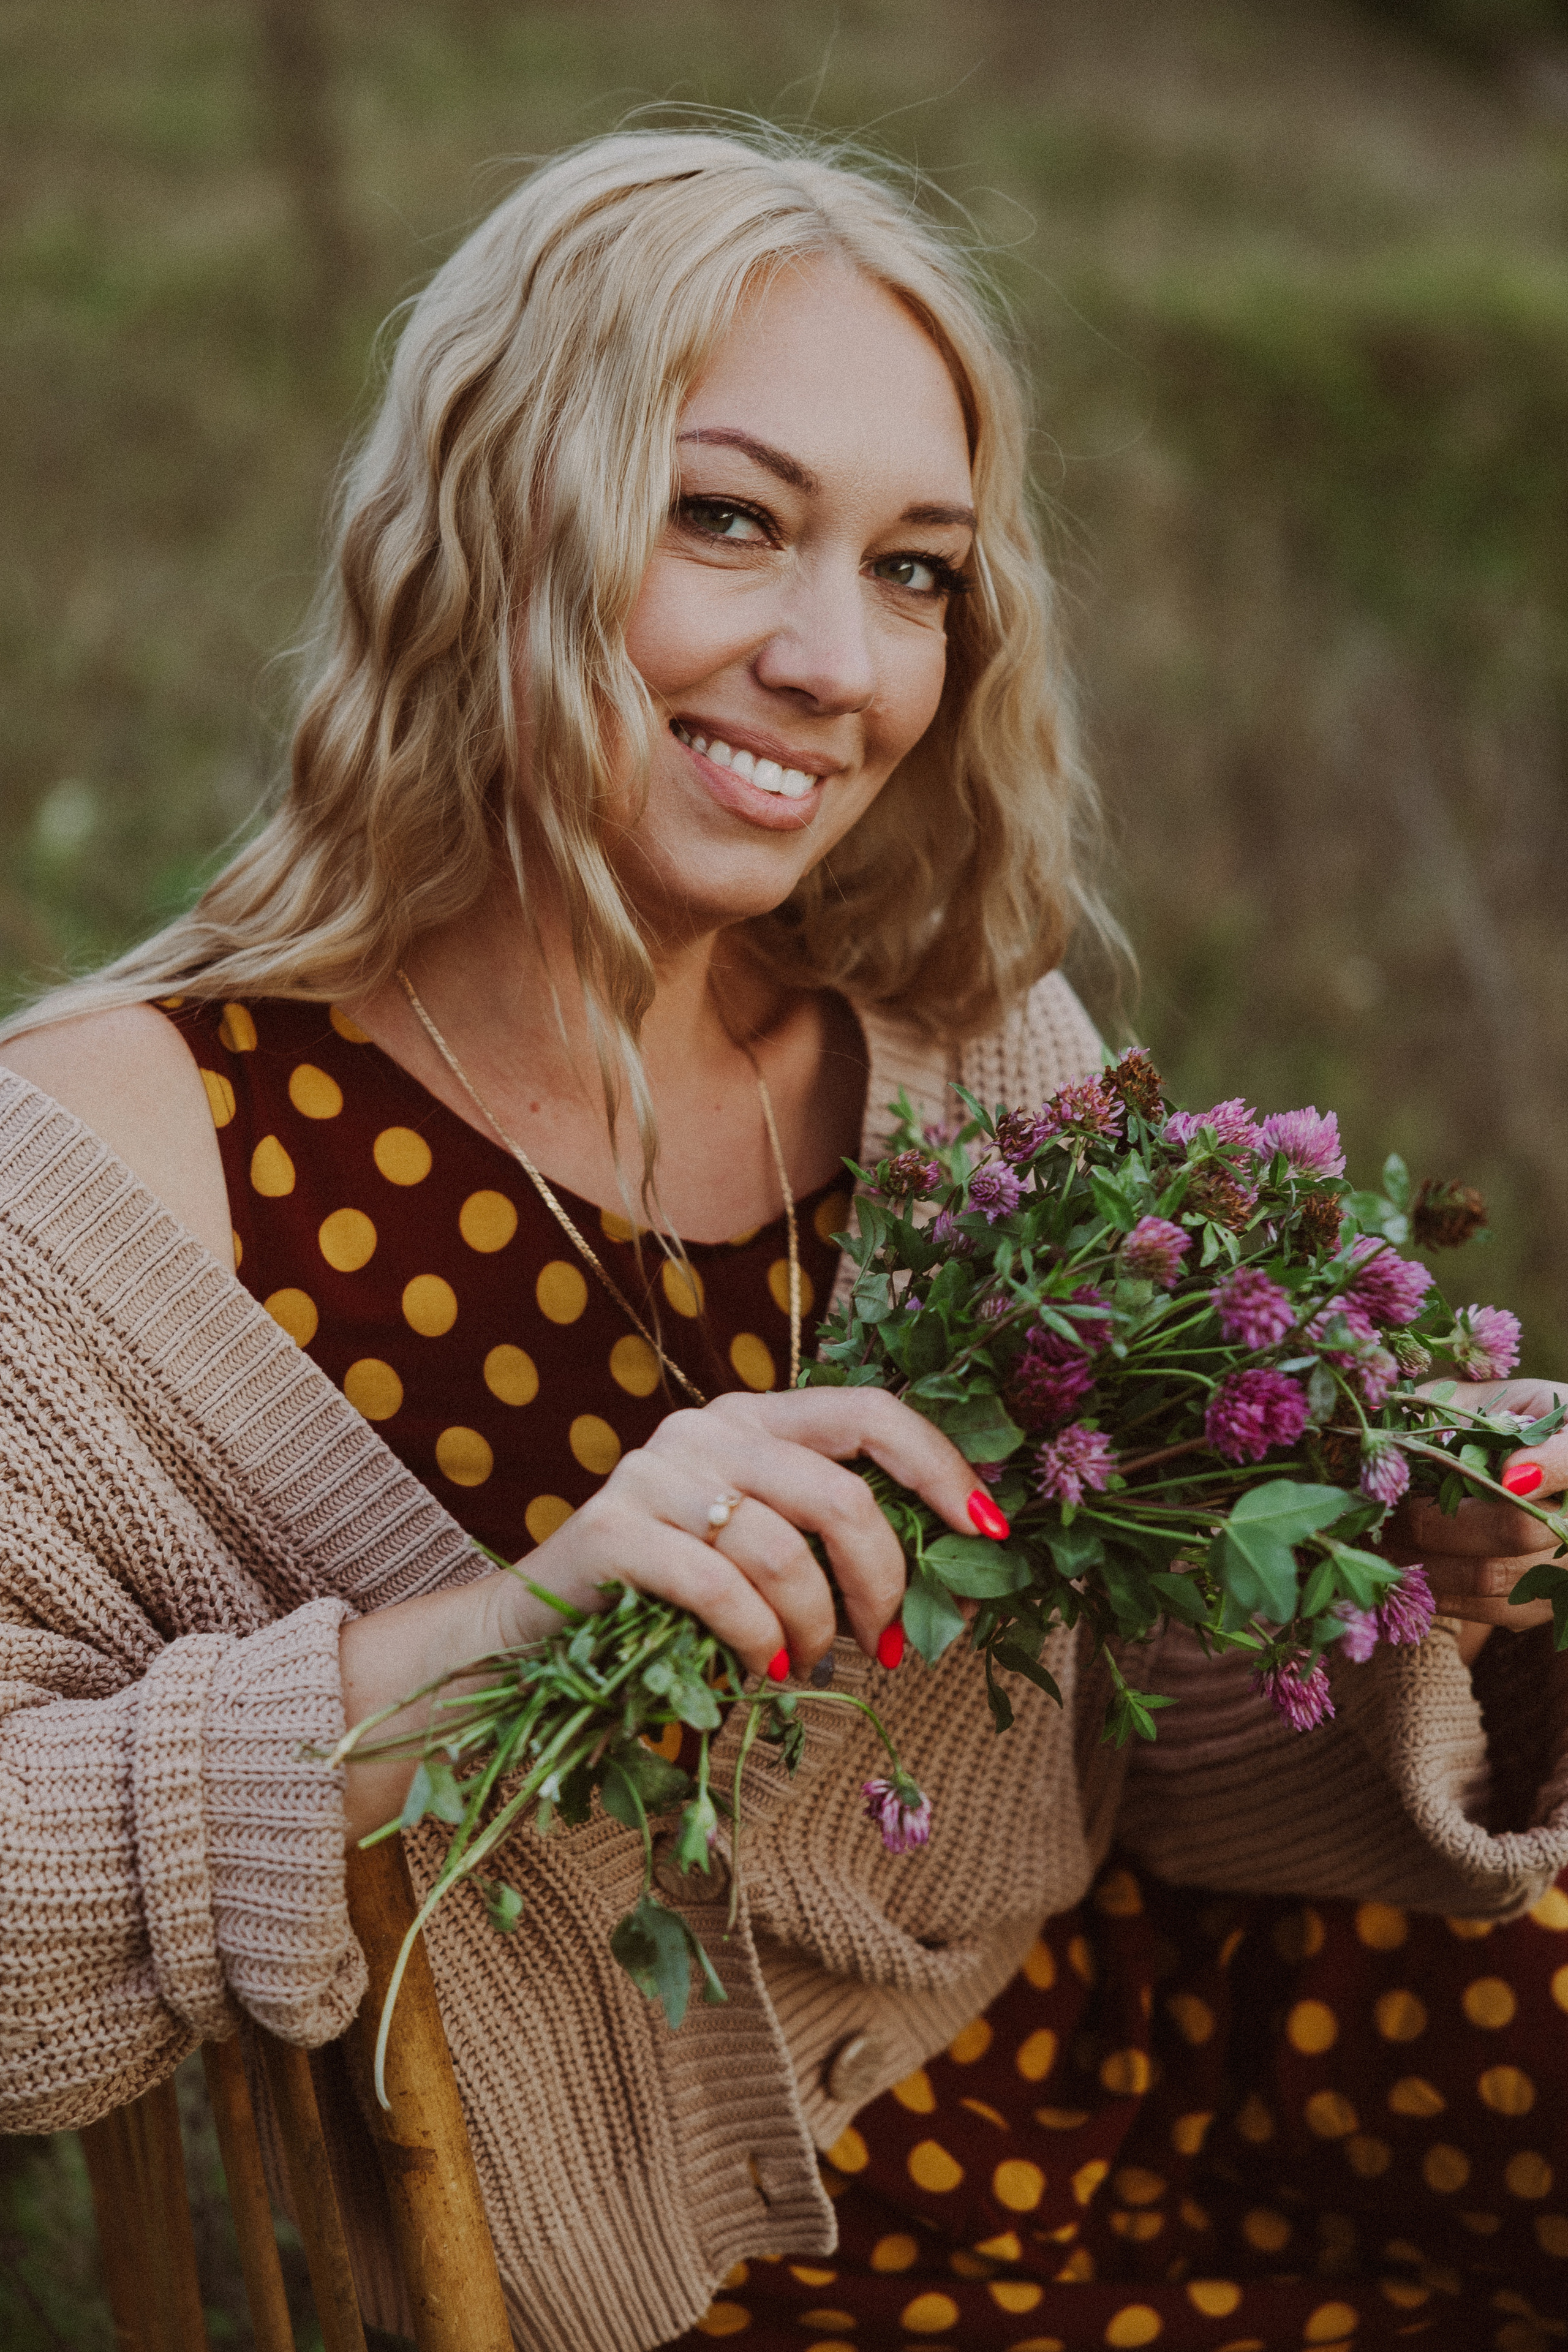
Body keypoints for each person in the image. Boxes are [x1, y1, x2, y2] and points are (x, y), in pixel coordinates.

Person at [1, 128, 1564, 2352]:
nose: (843, 664)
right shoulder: (122, 1159)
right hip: (719, 2251)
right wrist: (476, 1643)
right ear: (490, 523)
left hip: (1182, 2043)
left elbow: (1134, 1752)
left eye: (920, 571)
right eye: (728, 519)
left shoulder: (967, 1053)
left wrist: (1392, 1568)